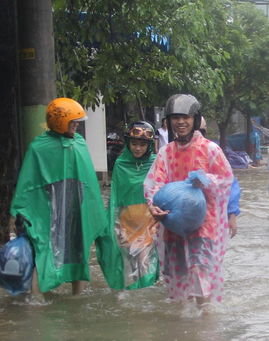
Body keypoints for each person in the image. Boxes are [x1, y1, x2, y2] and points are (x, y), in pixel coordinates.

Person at [10, 97, 115, 295]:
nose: (76, 125)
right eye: (72, 121)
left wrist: (94, 212)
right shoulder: (39, 147)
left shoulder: (79, 143)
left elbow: (89, 182)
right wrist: (24, 214)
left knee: (78, 251)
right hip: (48, 209)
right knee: (43, 251)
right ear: (59, 122)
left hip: (76, 206)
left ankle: (77, 299)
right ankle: (36, 302)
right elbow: (29, 185)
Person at [144, 94, 233, 307]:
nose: (181, 122)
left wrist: (205, 180)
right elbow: (153, 183)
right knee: (177, 275)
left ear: (195, 119)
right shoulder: (165, 153)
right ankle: (181, 327)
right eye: (176, 117)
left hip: (204, 222)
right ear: (169, 121)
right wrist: (152, 206)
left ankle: (204, 323)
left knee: (200, 270)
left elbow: (226, 179)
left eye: (186, 117)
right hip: (172, 221)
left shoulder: (210, 149)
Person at [101, 120, 160, 290]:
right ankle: (138, 298)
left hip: (149, 222)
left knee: (145, 261)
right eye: (134, 143)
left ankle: (145, 300)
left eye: (142, 144)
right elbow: (115, 198)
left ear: (149, 145)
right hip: (126, 223)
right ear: (128, 143)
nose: (138, 148)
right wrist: (112, 226)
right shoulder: (120, 164)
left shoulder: (156, 163)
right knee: (133, 264)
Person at [198, 116, 241, 238]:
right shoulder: (173, 152)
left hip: (210, 219)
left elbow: (229, 184)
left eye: (200, 132)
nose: (197, 135)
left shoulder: (212, 152)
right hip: (184, 219)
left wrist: (231, 215)